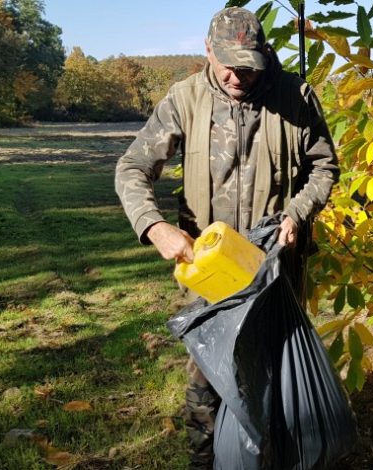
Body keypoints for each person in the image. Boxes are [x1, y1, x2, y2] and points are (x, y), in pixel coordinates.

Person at [114, 7, 339, 468]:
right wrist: (154, 227)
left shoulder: (295, 96)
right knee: (208, 381)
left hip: (273, 271)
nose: (238, 77)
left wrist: (297, 213)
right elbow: (132, 168)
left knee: (276, 374)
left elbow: (324, 167)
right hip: (208, 274)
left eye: (249, 67)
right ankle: (205, 462)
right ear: (208, 51)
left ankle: (281, 457)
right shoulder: (185, 99)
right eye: (229, 66)